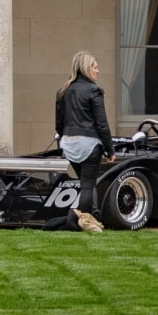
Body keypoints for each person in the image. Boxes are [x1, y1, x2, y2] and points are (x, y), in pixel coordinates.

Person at [51, 51, 114, 233]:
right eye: (95, 67)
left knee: (87, 182)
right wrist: (110, 150)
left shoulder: (62, 91)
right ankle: (82, 221)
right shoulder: (94, 91)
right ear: (86, 68)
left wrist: (62, 143)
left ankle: (94, 216)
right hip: (89, 143)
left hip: (68, 143)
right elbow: (102, 123)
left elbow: (58, 123)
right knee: (87, 184)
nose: (98, 71)